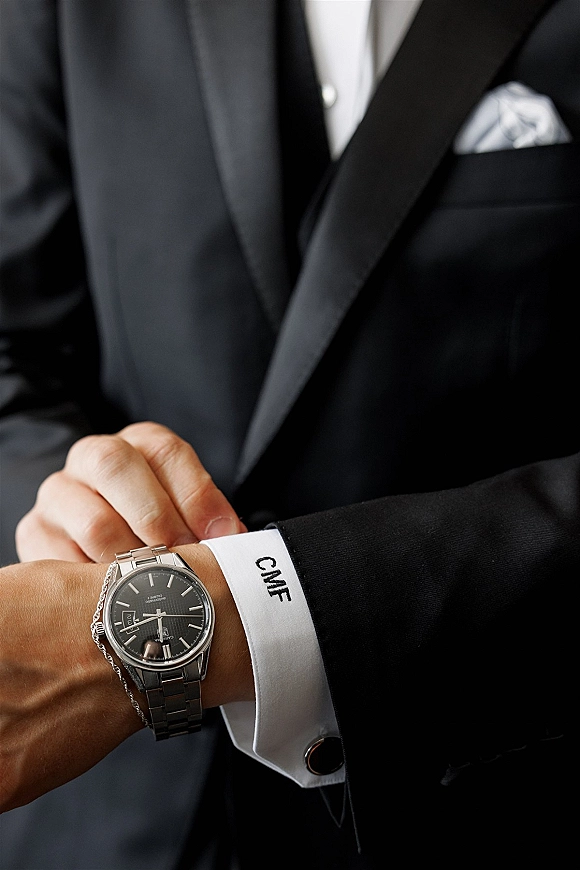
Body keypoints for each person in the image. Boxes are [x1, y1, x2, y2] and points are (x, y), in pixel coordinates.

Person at [1, 1, 578, 868]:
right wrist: (67, 497)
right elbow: (15, 346)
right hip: (97, 807)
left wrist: (231, 618)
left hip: (470, 799)